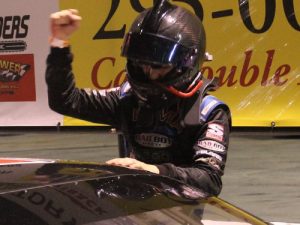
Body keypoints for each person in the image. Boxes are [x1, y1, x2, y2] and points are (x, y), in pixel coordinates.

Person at [46, 0, 231, 196]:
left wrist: (155, 171)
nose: (149, 73)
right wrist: (59, 44)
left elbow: (209, 180)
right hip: (134, 208)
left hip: (181, 213)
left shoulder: (209, 112)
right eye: (142, 63)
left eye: (158, 66)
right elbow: (65, 100)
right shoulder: (127, 98)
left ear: (185, 64)